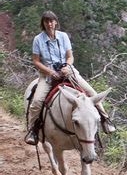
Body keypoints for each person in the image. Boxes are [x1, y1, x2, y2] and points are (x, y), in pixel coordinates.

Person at [25, 11, 115, 145]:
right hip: (47, 75)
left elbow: (70, 56)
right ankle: (33, 130)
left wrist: (67, 66)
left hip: (67, 71)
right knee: (37, 102)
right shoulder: (38, 39)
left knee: (92, 93)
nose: (49, 24)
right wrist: (49, 72)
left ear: (56, 22)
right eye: (46, 21)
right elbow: (36, 61)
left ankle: (105, 120)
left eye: (51, 21)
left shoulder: (63, 36)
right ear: (43, 23)